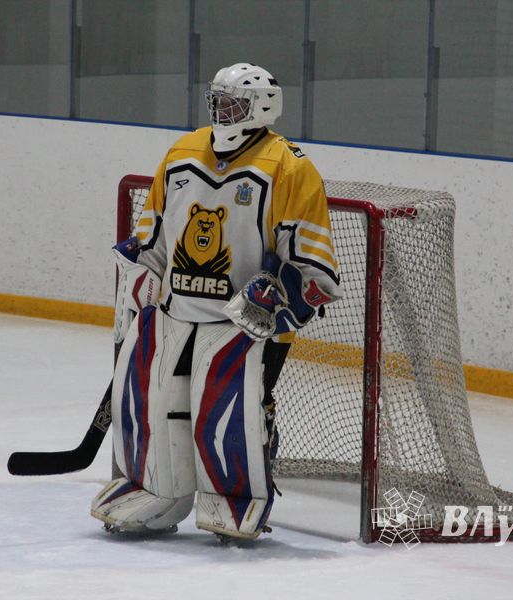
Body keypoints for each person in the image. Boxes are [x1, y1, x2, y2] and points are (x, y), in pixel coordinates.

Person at [90, 63, 342, 540]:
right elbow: (153, 232)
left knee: (230, 410)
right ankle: (153, 490)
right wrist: (142, 272)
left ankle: (236, 498)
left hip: (244, 324)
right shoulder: (183, 151)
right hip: (175, 312)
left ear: (263, 107)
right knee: (152, 402)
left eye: (234, 103)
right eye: (218, 100)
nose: (222, 111)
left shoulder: (290, 166)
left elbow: (315, 269)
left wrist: (278, 297)